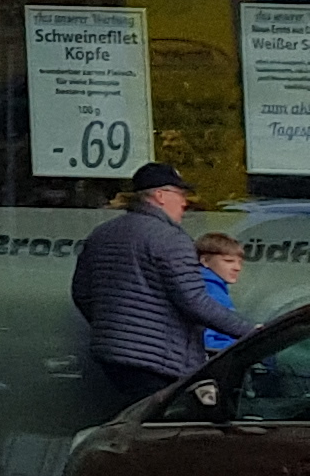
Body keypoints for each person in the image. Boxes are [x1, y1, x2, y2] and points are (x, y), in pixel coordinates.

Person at [69, 165, 249, 406]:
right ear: (160, 195)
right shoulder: (170, 239)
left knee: (135, 416)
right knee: (170, 423)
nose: (185, 203)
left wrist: (115, 328)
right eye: (180, 194)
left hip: (112, 356)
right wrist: (251, 332)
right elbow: (195, 302)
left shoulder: (101, 234)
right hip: (158, 360)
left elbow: (82, 292)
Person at [195, 233, 252, 351]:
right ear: (205, 261)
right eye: (229, 261)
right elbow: (208, 340)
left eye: (240, 262)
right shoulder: (208, 291)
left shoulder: (212, 287)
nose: (237, 268)